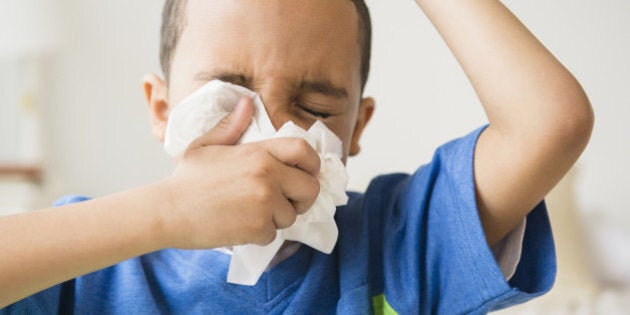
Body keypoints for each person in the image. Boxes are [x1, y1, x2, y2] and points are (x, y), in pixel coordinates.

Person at [0, 0, 593, 313]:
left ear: (357, 127)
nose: (273, 134)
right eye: (227, 96)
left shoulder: (400, 247)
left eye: (314, 105)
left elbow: (551, 122)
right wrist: (166, 213)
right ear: (161, 107)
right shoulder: (86, 263)